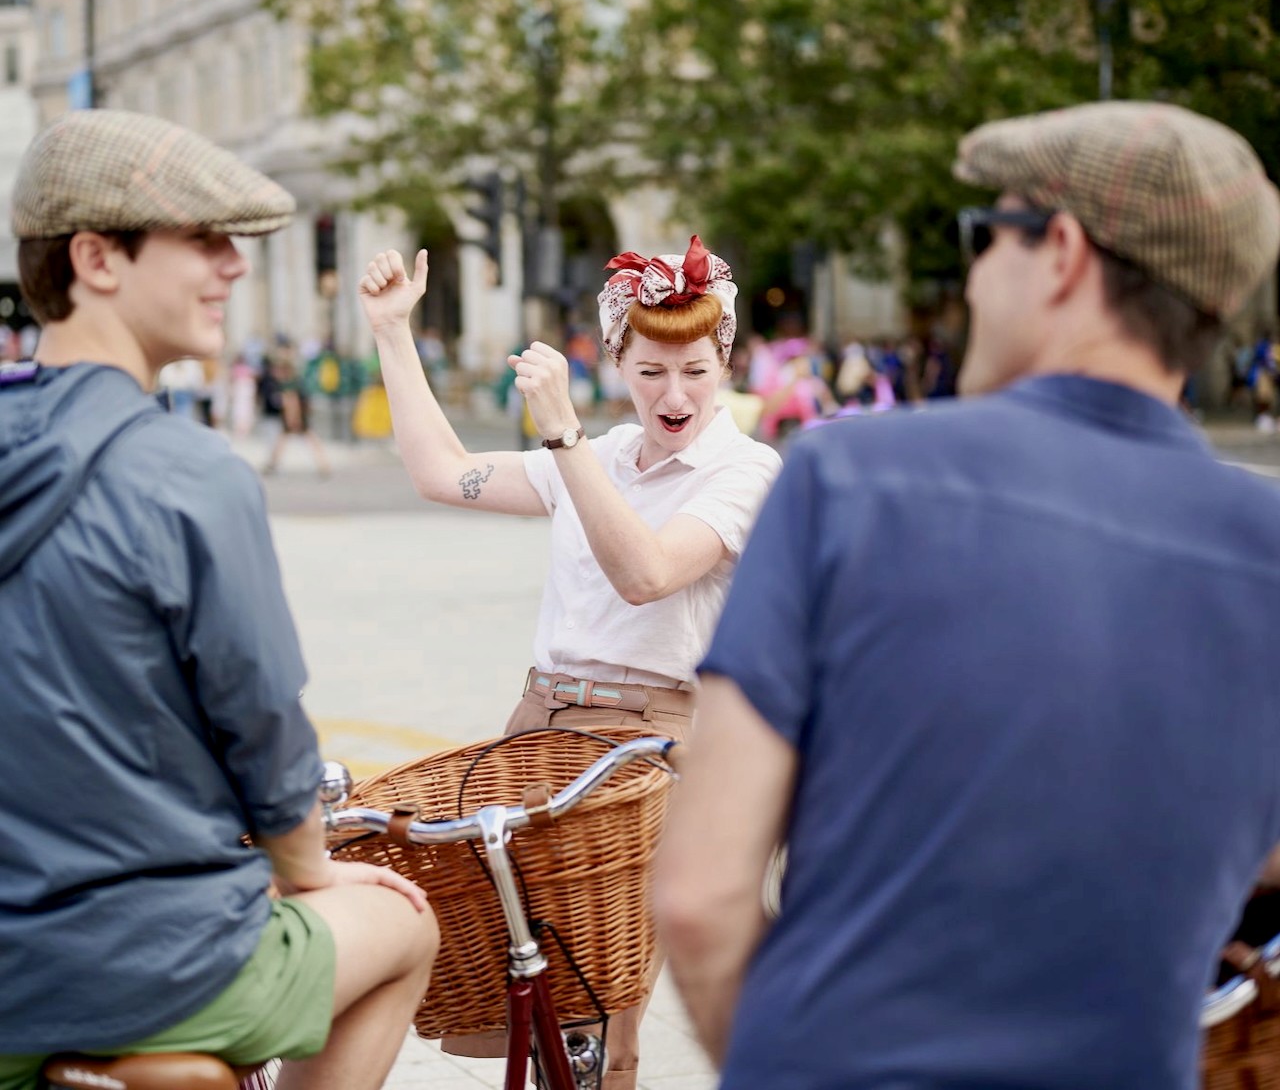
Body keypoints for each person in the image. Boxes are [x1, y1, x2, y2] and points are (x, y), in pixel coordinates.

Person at [653, 101, 1280, 1089]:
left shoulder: (843, 480)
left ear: (1062, 251)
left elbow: (697, 894)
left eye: (983, 235)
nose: (973, 273)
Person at [0, 110, 438, 1090]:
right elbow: (265, 731)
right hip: (151, 963)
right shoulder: (188, 471)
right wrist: (310, 870)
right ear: (96, 258)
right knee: (406, 921)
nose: (233, 264)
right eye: (201, 238)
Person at [358, 233, 781, 1089]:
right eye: (652, 369)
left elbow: (648, 574)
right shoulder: (601, 457)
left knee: (603, 1021)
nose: (675, 394)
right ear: (617, 358)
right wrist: (393, 334)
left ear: (727, 363)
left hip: (646, 748)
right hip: (539, 726)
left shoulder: (744, 468)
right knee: (524, 992)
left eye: (697, 370)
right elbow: (442, 472)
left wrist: (565, 439)